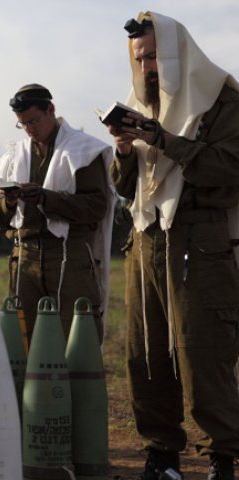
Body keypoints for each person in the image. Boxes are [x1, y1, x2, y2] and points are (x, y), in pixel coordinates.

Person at [107, 12, 239, 479]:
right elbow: (127, 188)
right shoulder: (140, 104)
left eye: (153, 56)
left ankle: (222, 455)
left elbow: (228, 170)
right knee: (145, 354)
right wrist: (126, 149)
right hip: (144, 242)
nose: (147, 68)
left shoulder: (220, 99)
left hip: (200, 242)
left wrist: (164, 140)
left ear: (176, 52)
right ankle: (161, 454)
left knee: (203, 352)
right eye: (139, 59)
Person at [0, 84, 115, 343]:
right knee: (23, 340)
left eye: (33, 121)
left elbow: (96, 207)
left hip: (68, 256)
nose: (30, 130)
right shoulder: (14, 156)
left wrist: (46, 198)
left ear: (50, 110)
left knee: (75, 337)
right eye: (22, 124)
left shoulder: (84, 151)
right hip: (24, 259)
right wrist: (9, 202)